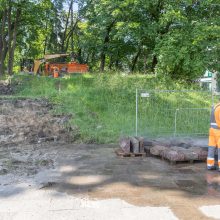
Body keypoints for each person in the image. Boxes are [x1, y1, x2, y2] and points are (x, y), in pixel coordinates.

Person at [207, 103, 220, 170]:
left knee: (211, 148)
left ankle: (210, 165)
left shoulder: (215, 106)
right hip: (218, 130)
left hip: (212, 130)